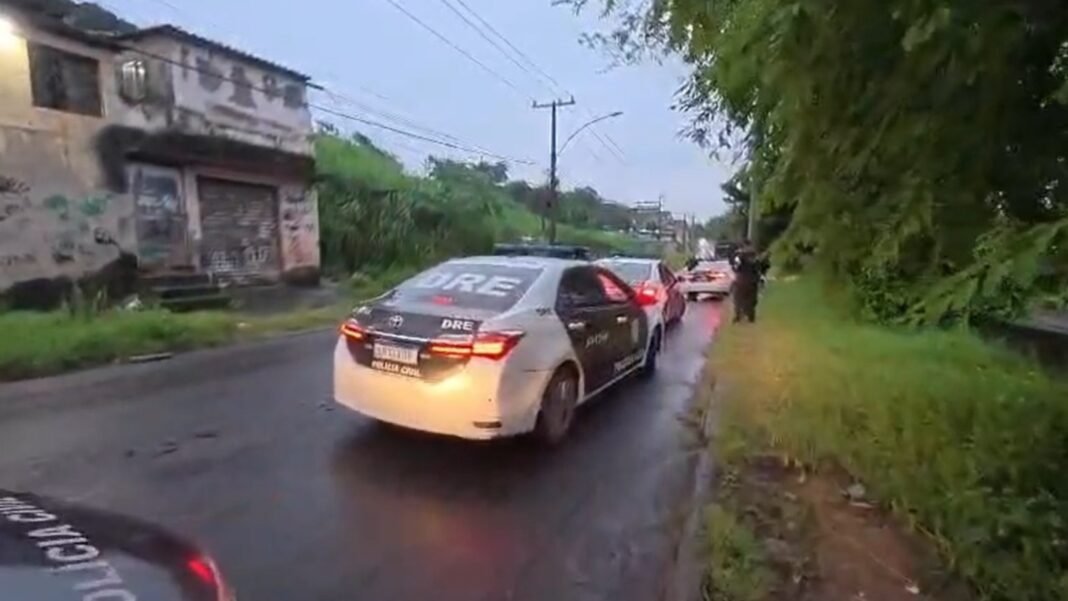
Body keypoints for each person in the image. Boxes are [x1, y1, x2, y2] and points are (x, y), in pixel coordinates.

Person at [730, 240, 766, 323]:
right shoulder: (755, 256)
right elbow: (759, 268)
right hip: (753, 280)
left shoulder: (739, 255)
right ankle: (750, 315)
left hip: (741, 280)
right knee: (751, 298)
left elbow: (735, 266)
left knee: (738, 299)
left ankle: (738, 315)